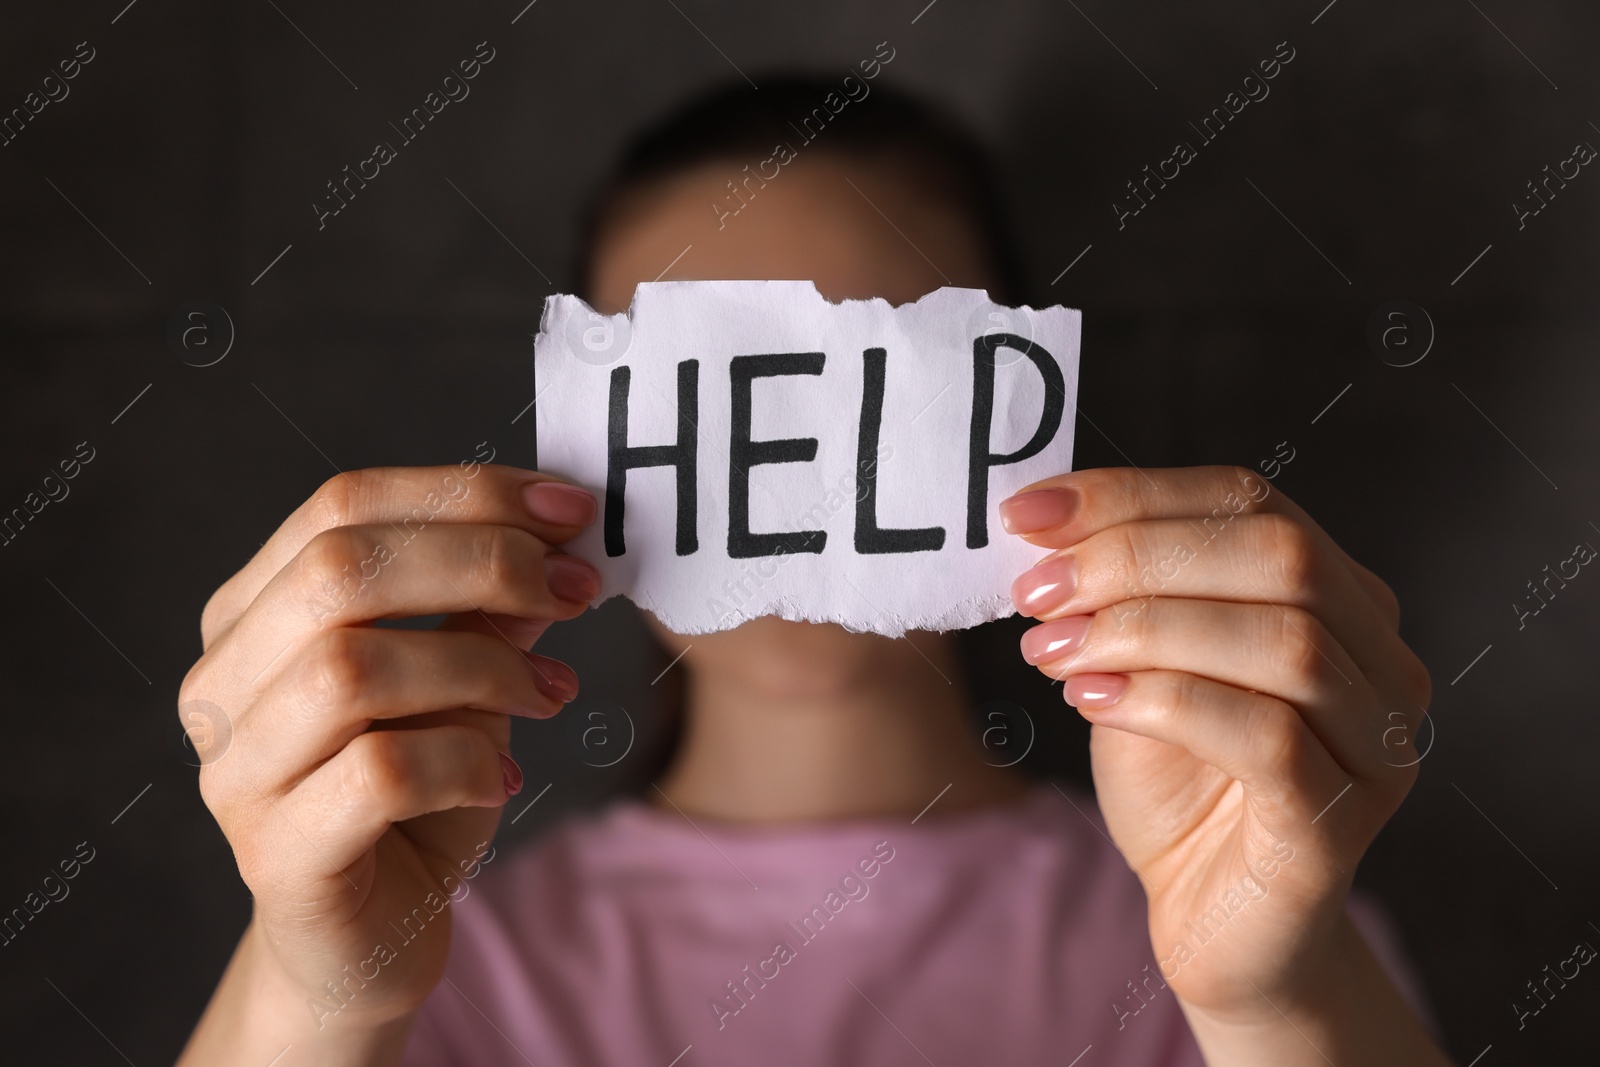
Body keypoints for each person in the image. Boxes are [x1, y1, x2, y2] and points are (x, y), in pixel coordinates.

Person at [176, 76, 1453, 1066]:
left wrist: (1278, 1000)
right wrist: (306, 991)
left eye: (889, 364)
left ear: (1020, 402)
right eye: (699, 362)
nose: (804, 467)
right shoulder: (443, 958)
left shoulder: (1254, 905)